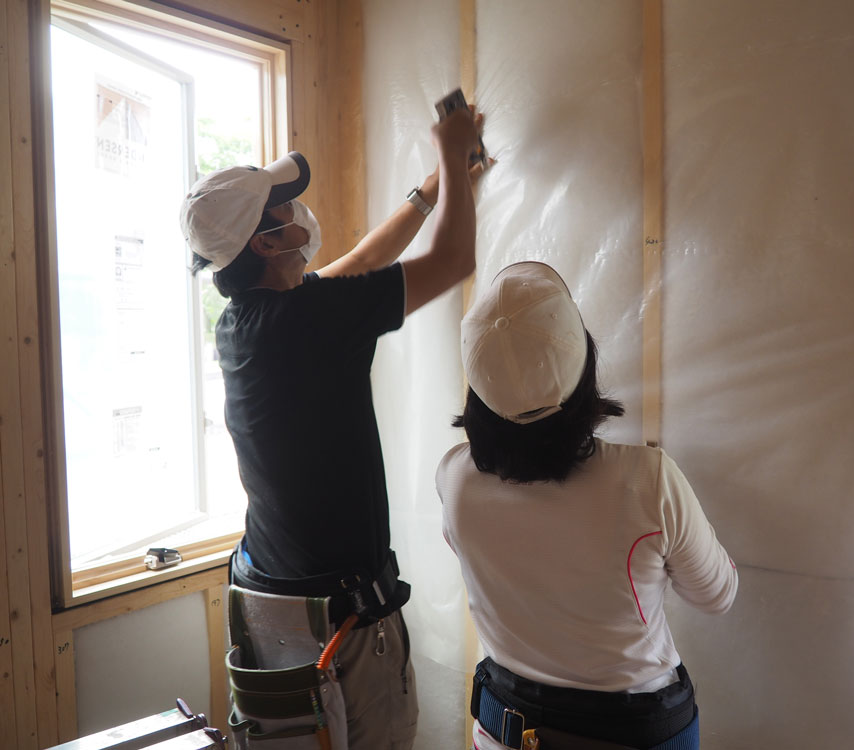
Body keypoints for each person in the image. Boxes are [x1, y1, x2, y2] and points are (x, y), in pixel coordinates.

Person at [179, 106, 482, 749]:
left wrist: (432, 190)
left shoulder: (248, 321)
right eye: (283, 209)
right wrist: (455, 156)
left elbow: (364, 260)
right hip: (336, 617)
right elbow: (455, 259)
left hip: (270, 598)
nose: (298, 214)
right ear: (265, 244)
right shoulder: (305, 321)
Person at [436, 261, 738, 750]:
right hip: (633, 730)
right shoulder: (647, 480)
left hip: (503, 729)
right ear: (584, 368)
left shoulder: (453, 477)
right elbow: (716, 596)